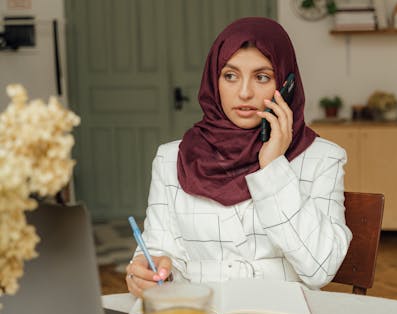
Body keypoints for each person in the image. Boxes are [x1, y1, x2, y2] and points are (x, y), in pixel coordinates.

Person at [126, 17, 352, 297]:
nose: (244, 93)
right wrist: (152, 272)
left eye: (262, 77)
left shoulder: (323, 158)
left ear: (285, 84)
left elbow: (319, 268)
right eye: (230, 76)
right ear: (213, 80)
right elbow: (160, 252)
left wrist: (272, 166)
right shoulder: (172, 158)